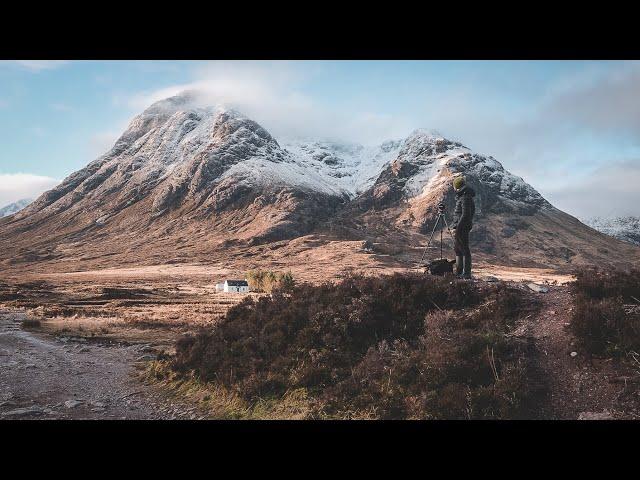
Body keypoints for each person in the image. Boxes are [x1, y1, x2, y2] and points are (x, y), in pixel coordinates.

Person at [450, 175, 476, 279]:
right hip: (459, 226)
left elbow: (465, 214)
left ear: (457, 187)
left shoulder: (466, 197)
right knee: (457, 249)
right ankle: (459, 272)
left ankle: (466, 274)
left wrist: (459, 228)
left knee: (464, 249)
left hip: (462, 227)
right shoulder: (463, 196)